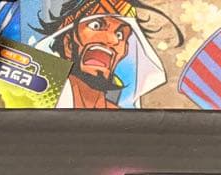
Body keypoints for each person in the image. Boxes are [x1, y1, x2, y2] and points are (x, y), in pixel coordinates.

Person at [33, 0, 180, 109]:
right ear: (68, 43)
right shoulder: (40, 99)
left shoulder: (120, 119)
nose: (113, 40)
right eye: (96, 25)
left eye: (120, 34)